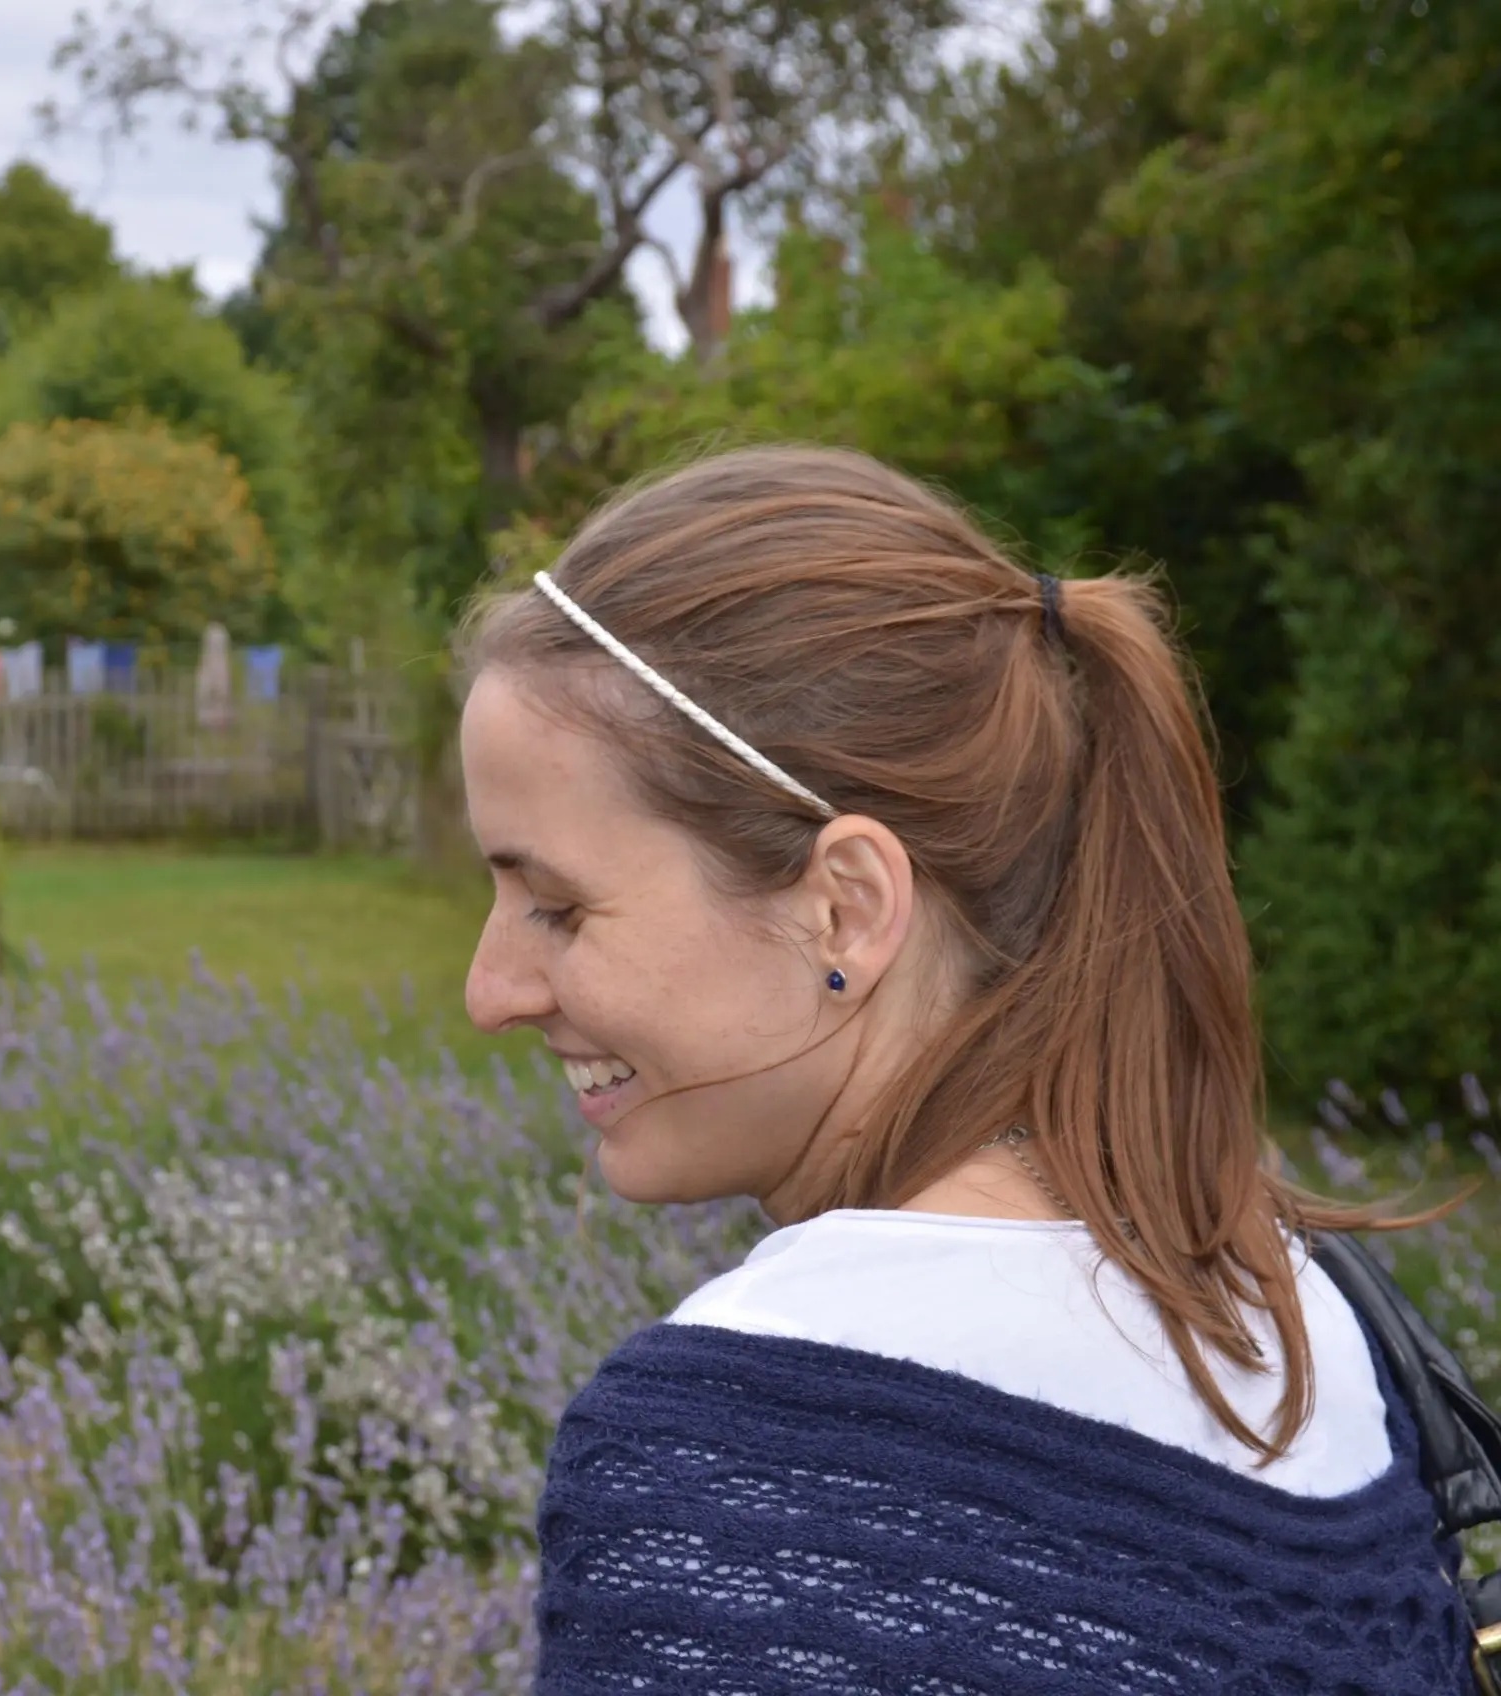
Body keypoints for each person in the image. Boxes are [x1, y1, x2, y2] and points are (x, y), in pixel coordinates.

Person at [456, 445, 1473, 1691]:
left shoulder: (727, 1452)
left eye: (555, 908)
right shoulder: (1303, 1316)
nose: (488, 991)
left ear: (845, 907)